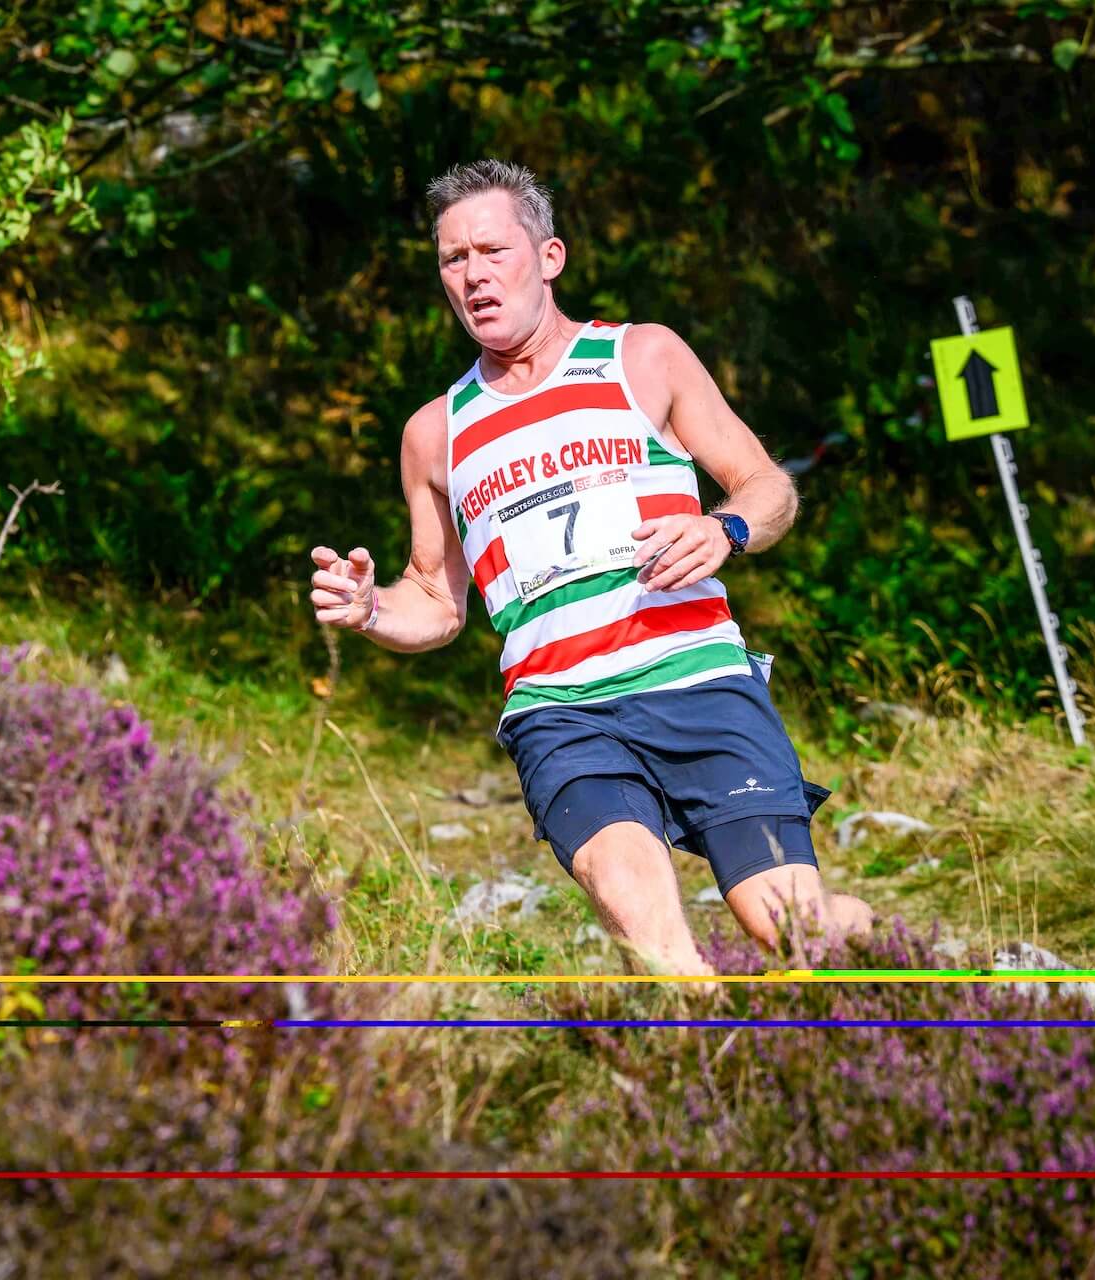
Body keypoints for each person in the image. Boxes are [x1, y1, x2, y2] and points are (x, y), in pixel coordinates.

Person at [308, 159, 871, 975]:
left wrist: (727, 529)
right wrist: (369, 609)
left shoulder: (643, 357)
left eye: (492, 251)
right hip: (561, 710)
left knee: (792, 930)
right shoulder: (435, 433)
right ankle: (714, 1044)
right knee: (641, 916)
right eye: (453, 259)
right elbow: (434, 596)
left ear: (549, 256)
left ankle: (904, 955)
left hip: (698, 680)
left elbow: (768, 485)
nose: (473, 275)